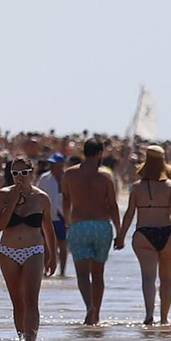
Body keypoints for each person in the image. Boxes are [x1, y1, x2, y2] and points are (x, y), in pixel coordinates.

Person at [118, 144, 171, 325]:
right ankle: (165, 318)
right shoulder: (170, 185)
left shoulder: (136, 187)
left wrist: (121, 236)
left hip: (144, 233)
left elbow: (129, 214)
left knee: (148, 277)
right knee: (167, 279)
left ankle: (149, 315)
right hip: (168, 232)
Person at [0, 158, 58, 341]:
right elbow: (0, 225)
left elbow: (48, 228)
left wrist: (52, 255)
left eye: (24, 173)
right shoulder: (3, 195)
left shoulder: (41, 198)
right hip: (8, 251)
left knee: (31, 299)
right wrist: (12, 202)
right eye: (15, 173)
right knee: (17, 301)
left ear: (32, 173)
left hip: (33, 250)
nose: (19, 177)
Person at [62, 137, 122, 325]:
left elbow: (65, 199)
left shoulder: (70, 174)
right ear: (99, 154)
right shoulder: (106, 176)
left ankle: (89, 306)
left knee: (82, 274)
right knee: (98, 274)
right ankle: (97, 314)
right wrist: (120, 232)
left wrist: (67, 220)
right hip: (102, 226)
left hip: (79, 225)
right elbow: (112, 206)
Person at [35, 152, 70, 278]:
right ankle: (46, 270)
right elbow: (37, 196)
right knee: (46, 244)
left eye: (55, 163)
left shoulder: (67, 178)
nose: (53, 166)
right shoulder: (44, 179)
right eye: (52, 163)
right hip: (47, 216)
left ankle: (62, 271)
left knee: (63, 244)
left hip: (62, 216)